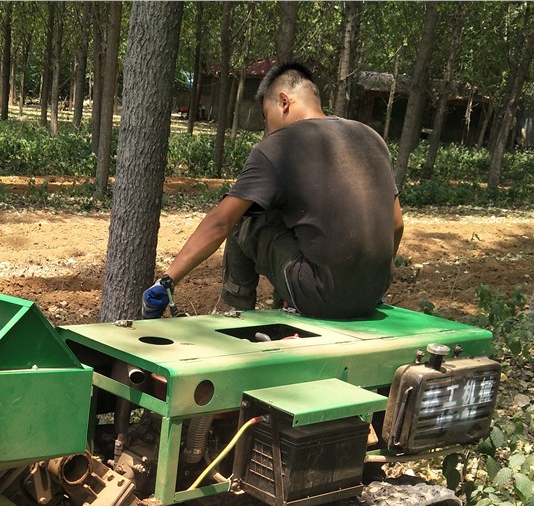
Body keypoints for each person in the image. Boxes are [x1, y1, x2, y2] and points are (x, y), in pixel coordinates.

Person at [142, 62, 404, 321]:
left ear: (283, 102)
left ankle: (237, 312)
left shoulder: (278, 146)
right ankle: (286, 300)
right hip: (373, 294)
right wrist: (371, 282)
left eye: (267, 118)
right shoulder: (371, 138)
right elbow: (395, 223)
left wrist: (168, 279)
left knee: (244, 219)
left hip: (321, 297)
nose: (269, 130)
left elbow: (221, 222)